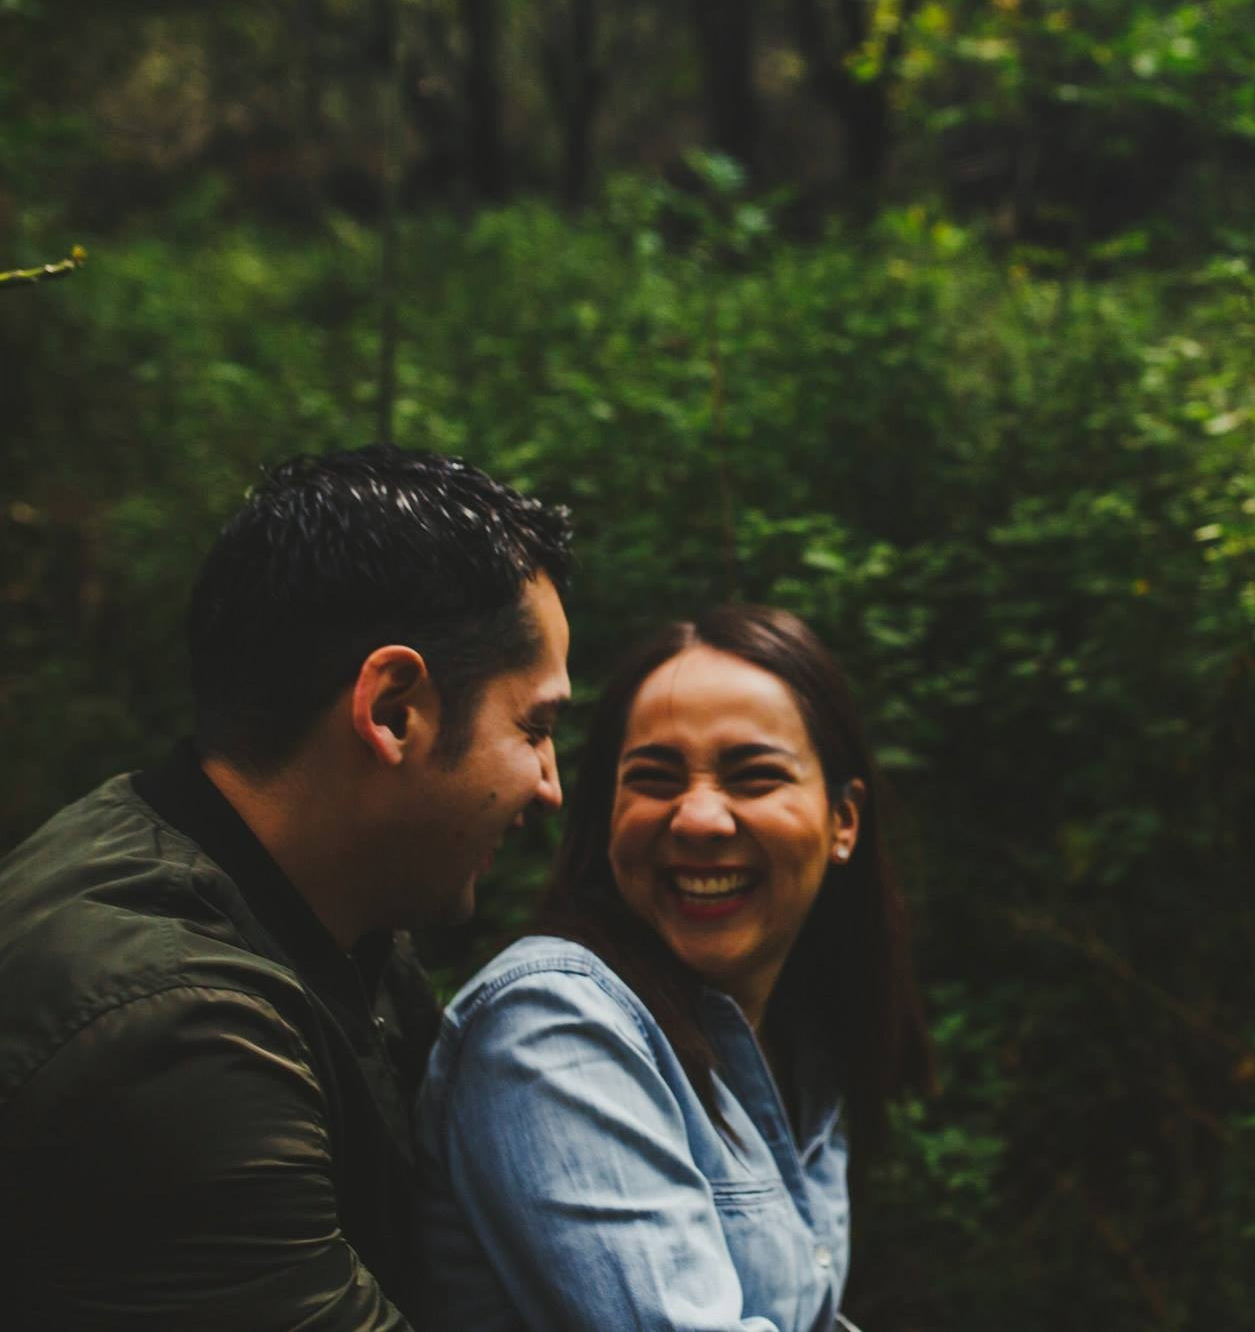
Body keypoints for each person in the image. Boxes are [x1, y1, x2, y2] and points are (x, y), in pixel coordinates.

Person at [0, 446, 574, 1328]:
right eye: (534, 726)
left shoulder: (327, 912)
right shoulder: (172, 1037)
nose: (550, 783)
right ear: (392, 711)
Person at [416, 604, 932, 1332]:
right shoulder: (554, 1029)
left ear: (842, 820)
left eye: (753, 776)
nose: (697, 818)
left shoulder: (800, 1045)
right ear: (609, 813)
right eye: (654, 778)